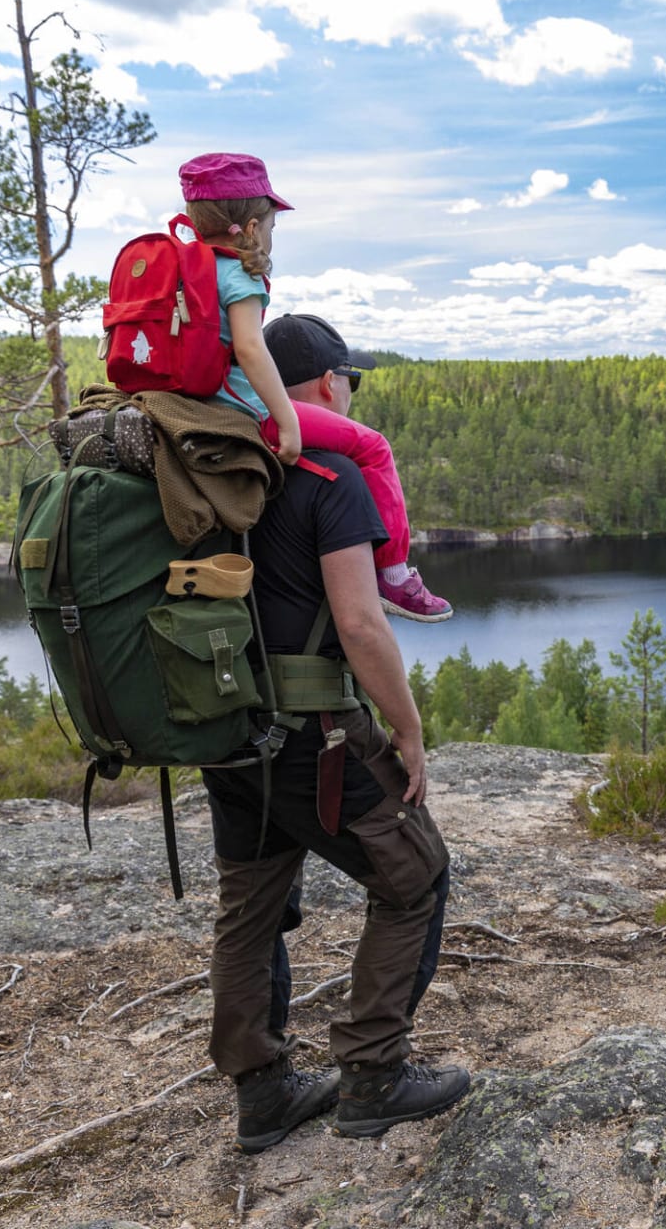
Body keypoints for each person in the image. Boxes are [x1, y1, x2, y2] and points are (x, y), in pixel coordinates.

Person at [200, 314, 472, 1153]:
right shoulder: (330, 476)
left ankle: (263, 1092)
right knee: (415, 875)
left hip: (224, 729)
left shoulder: (213, 471)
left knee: (251, 905)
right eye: (348, 378)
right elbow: (360, 623)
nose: (349, 391)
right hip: (312, 733)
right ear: (326, 387)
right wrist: (408, 725)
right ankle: (373, 1075)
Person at [176, 151, 453, 623]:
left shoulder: (181, 266)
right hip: (239, 412)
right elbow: (249, 347)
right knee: (373, 447)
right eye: (270, 223)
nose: (270, 234)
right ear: (251, 225)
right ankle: (395, 576)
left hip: (187, 407)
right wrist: (284, 419)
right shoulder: (239, 273)